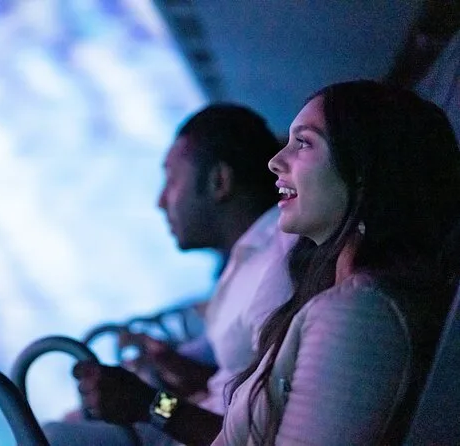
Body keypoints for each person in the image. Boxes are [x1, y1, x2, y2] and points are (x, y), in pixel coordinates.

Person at [70, 80, 460, 445]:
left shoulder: (355, 315)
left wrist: (152, 406)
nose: (274, 161)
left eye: (303, 143)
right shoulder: (332, 297)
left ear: (361, 171)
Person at [43, 104, 297, 445]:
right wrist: (175, 367)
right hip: (203, 419)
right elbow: (238, 382)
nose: (161, 201)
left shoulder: (274, 269)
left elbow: (258, 438)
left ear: (219, 181)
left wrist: (148, 404)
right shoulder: (248, 257)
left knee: (54, 437)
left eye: (172, 180)